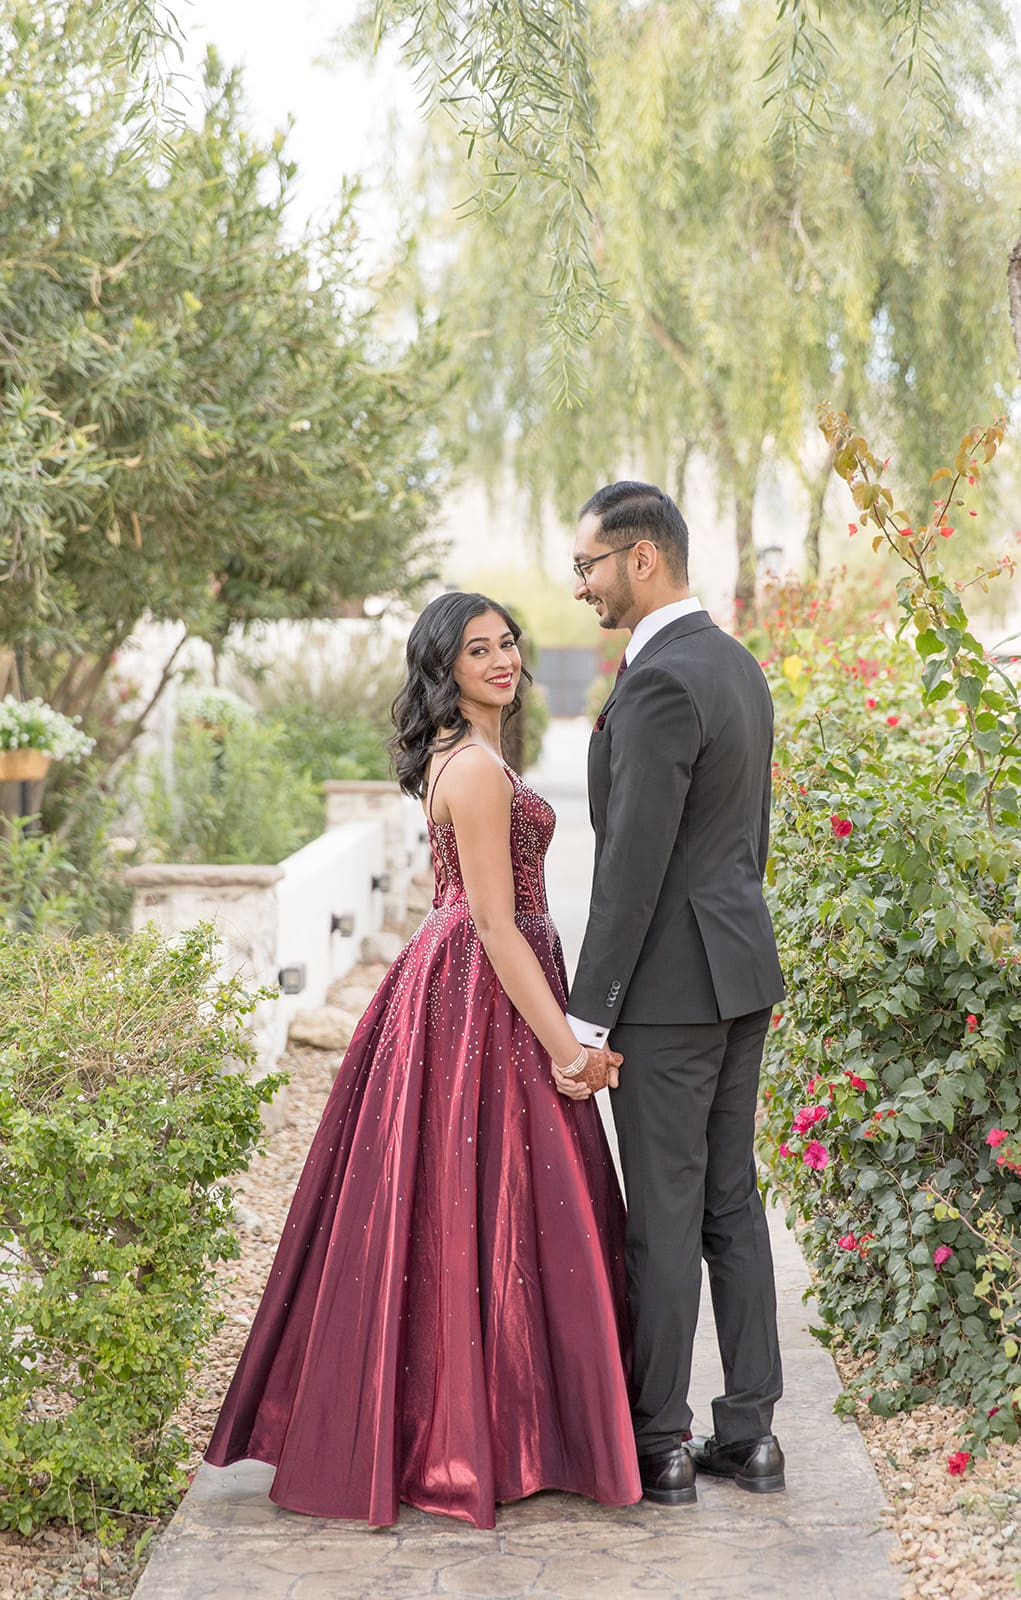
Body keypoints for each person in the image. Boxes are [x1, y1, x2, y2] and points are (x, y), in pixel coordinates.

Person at [204, 591, 641, 1529]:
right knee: (494, 1193)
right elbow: (492, 923)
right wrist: (568, 1049)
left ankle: (498, 1424)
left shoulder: (469, 754)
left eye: (507, 643)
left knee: (474, 1194)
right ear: (443, 669)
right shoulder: (474, 768)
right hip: (482, 985)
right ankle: (491, 1434)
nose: (502, 659)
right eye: (477, 650)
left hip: (469, 980)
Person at [555, 482, 786, 1506]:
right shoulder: (736, 665)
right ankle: (752, 1434)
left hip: (666, 995)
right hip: (738, 975)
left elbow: (631, 868)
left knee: (661, 1214)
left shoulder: (655, 683)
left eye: (588, 565)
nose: (581, 586)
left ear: (640, 558)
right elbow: (746, 844)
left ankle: (659, 1443)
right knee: (728, 1199)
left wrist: (585, 1016)